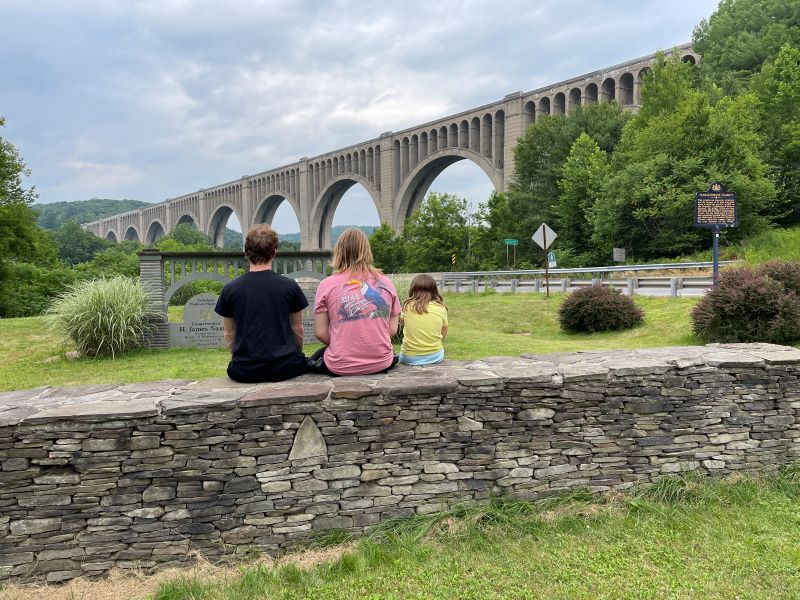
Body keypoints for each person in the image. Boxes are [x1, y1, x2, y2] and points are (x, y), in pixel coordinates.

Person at [214, 224, 309, 383]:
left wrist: (242, 359)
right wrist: (296, 355)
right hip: (285, 367)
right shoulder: (290, 286)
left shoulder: (230, 289)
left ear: (246, 253)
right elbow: (297, 329)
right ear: (274, 253)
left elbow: (229, 334)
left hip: (244, 370)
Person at [309, 228, 401, 376]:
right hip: (380, 362)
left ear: (339, 252)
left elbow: (320, 333)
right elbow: (392, 330)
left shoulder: (326, 285)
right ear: (367, 251)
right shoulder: (386, 283)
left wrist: (344, 342)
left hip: (340, 365)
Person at [398, 274, 448, 365]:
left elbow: (401, 323)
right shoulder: (441, 307)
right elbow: (444, 334)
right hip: (435, 356)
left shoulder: (407, 306)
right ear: (434, 289)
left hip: (408, 357)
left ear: (413, 289)